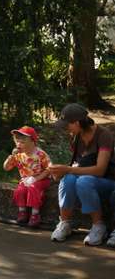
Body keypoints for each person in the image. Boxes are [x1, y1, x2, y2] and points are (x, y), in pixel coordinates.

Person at [49, 103, 115, 246]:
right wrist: (60, 172)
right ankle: (65, 223)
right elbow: (77, 165)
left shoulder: (104, 136)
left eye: (67, 126)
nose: (66, 129)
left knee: (82, 181)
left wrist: (68, 169)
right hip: (86, 180)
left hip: (107, 182)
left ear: (77, 123)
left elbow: (100, 170)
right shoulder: (76, 136)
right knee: (68, 179)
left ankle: (99, 226)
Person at [3, 126, 51, 228]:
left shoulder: (40, 154)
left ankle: (35, 213)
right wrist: (9, 159)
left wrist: (36, 179)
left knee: (33, 188)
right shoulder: (19, 155)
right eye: (17, 142)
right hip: (26, 180)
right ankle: (22, 212)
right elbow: (6, 168)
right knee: (20, 190)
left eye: (22, 142)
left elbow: (49, 169)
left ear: (32, 142)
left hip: (41, 179)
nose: (18, 145)